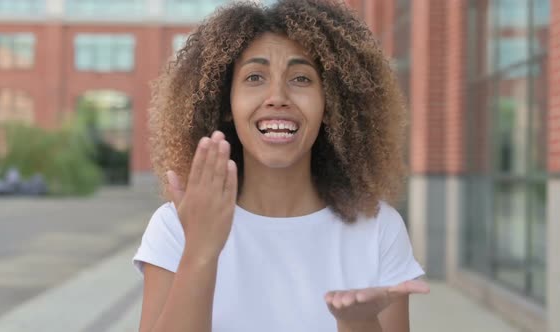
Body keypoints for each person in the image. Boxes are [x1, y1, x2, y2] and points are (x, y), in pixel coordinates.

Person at [132, 0, 429, 331]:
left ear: (330, 104)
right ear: (225, 101)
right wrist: (200, 251)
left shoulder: (378, 228)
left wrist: (357, 322)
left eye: (301, 79)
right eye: (255, 77)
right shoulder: (177, 225)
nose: (277, 96)